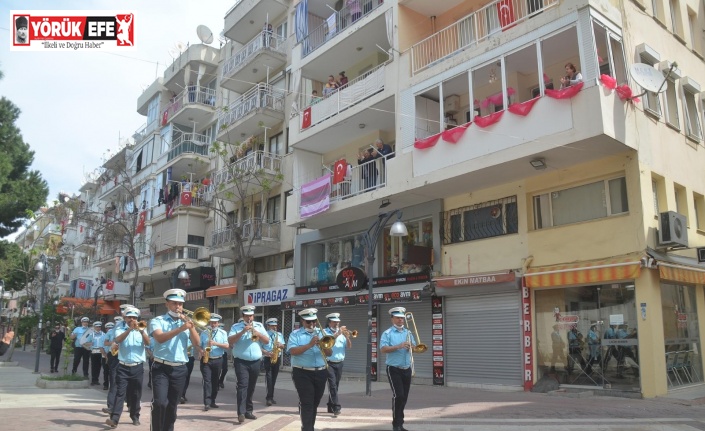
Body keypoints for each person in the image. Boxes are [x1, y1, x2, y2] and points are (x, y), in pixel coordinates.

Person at [148, 288, 200, 431]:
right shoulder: (157, 321)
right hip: (161, 367)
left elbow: (197, 343)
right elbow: (159, 338)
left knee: (172, 405)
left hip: (180, 368)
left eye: (180, 304)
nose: (178, 307)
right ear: (167, 304)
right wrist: (181, 328)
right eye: (174, 303)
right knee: (159, 403)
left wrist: (191, 328)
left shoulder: (187, 322)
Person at [287, 308, 331, 431]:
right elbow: (293, 351)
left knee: (315, 402)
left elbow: (329, 353)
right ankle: (307, 428)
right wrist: (310, 345)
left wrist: (324, 345)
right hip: (302, 372)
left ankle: (309, 426)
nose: (312, 325)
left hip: (321, 371)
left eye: (314, 321)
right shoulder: (295, 334)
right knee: (307, 402)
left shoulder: (322, 333)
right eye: (308, 322)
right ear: (302, 321)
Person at [105, 307, 149, 428]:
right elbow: (118, 340)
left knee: (136, 394)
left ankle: (135, 416)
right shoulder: (119, 328)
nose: (132, 319)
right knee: (120, 393)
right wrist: (130, 329)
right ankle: (114, 419)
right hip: (123, 366)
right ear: (125, 318)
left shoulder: (142, 328)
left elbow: (148, 342)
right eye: (129, 317)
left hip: (137, 367)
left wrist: (141, 331)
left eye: (134, 317)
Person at [228, 305, 269, 423]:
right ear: (243, 316)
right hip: (241, 361)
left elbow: (266, 341)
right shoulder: (236, 327)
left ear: (253, 316)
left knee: (251, 387)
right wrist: (242, 331)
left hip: (256, 361)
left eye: (250, 315)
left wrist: (258, 334)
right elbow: (230, 341)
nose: (249, 318)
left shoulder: (259, 326)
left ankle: (248, 411)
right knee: (242, 385)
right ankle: (241, 412)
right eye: (246, 316)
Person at [379, 307, 417, 431]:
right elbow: (383, 349)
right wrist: (399, 346)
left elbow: (415, 348)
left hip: (407, 368)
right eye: (398, 318)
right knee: (398, 396)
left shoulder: (408, 333)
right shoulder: (387, 333)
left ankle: (400, 423)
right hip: (393, 368)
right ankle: (396, 425)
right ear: (392, 319)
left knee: (404, 397)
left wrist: (412, 347)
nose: (401, 320)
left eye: (402, 318)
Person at [324, 312, 352, 416]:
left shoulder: (342, 334)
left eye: (338, 322)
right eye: (335, 322)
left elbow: (348, 346)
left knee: (336, 385)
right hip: (329, 363)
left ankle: (330, 405)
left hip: (340, 363)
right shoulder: (325, 332)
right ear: (329, 322)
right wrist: (337, 334)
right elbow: (327, 342)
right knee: (332, 385)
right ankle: (336, 407)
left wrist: (348, 337)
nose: (337, 324)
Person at [200, 313, 228, 411]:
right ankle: (206, 403)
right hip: (206, 360)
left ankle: (213, 401)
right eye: (211, 322)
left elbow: (227, 346)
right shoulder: (204, 333)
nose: (213, 325)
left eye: (215, 323)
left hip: (218, 359)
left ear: (218, 323)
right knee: (207, 381)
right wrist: (201, 351)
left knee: (215, 381)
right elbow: (199, 345)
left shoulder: (223, 333)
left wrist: (215, 343)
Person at [104, 315, 126, 414]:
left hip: (125, 356)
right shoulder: (110, 332)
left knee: (128, 382)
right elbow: (105, 343)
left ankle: (131, 404)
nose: (117, 323)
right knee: (113, 381)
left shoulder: (128, 330)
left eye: (119, 321)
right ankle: (111, 406)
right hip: (114, 355)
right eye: (116, 321)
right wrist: (114, 342)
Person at [261, 317, 286, 406]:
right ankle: (268, 398)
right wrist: (266, 353)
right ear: (268, 326)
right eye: (272, 326)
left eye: (275, 326)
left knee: (274, 378)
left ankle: (271, 397)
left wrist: (281, 345)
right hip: (268, 358)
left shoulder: (279, 335)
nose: (274, 328)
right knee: (269, 377)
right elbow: (260, 347)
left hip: (276, 357)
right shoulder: (264, 335)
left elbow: (283, 346)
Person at [89, 321, 106, 386]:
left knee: (99, 366)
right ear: (94, 327)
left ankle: (97, 380)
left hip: (100, 351)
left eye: (99, 327)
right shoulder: (91, 334)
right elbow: (86, 342)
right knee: (93, 366)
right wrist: (90, 346)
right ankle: (93, 380)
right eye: (97, 327)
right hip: (93, 351)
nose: (98, 328)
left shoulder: (103, 334)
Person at [180, 337, 196, 404]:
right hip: (181, 358)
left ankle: (183, 394)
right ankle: (178, 394)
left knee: (187, 377)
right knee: (180, 377)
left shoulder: (192, 337)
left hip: (190, 358)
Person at [218, 322, 228, 389]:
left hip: (224, 353)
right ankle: (216, 383)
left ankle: (221, 381)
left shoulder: (224, 333)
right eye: (220, 326)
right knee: (217, 370)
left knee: (225, 369)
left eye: (222, 327)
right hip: (216, 353)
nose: (221, 328)